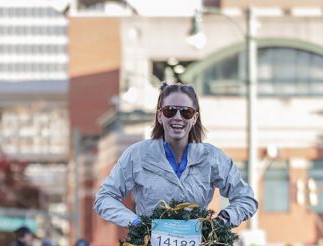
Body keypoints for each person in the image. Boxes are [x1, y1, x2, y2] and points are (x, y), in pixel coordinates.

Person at [94, 83, 257, 228]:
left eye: (186, 112)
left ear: (195, 118)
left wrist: (224, 219)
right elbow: (104, 198)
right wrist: (137, 223)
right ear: (159, 116)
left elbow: (247, 199)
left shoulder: (213, 157)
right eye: (170, 111)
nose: (177, 117)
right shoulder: (137, 155)